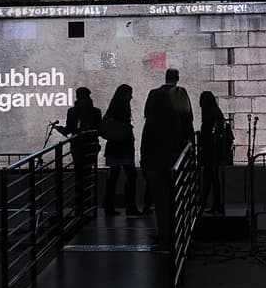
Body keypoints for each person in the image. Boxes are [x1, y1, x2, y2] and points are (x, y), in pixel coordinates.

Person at [141, 87, 180, 251]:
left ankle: (164, 238)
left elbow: (146, 145)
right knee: (171, 204)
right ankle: (172, 235)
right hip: (170, 165)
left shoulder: (152, 120)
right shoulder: (174, 119)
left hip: (155, 166)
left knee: (161, 205)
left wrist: (144, 162)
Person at [100, 84, 139, 217]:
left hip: (113, 148)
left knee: (113, 179)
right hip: (124, 148)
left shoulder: (112, 109)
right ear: (125, 94)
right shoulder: (124, 108)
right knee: (131, 176)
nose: (131, 96)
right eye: (129, 93)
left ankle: (109, 207)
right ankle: (131, 207)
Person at [62, 87, 103, 210]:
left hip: (90, 146)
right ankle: (80, 201)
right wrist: (61, 129)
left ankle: (87, 200)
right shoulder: (72, 112)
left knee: (87, 173)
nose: (81, 101)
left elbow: (99, 129)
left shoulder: (95, 112)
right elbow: (69, 128)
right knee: (79, 174)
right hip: (77, 146)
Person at [145, 68, 193, 154]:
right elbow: (188, 116)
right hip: (178, 136)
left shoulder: (153, 93)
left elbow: (147, 113)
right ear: (177, 78)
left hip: (156, 135)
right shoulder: (180, 93)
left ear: (166, 77)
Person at [198, 91, 228, 214]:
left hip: (210, 150)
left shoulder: (209, 115)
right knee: (212, 178)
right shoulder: (216, 113)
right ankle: (213, 204)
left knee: (210, 177)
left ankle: (204, 202)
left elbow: (208, 133)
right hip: (213, 150)